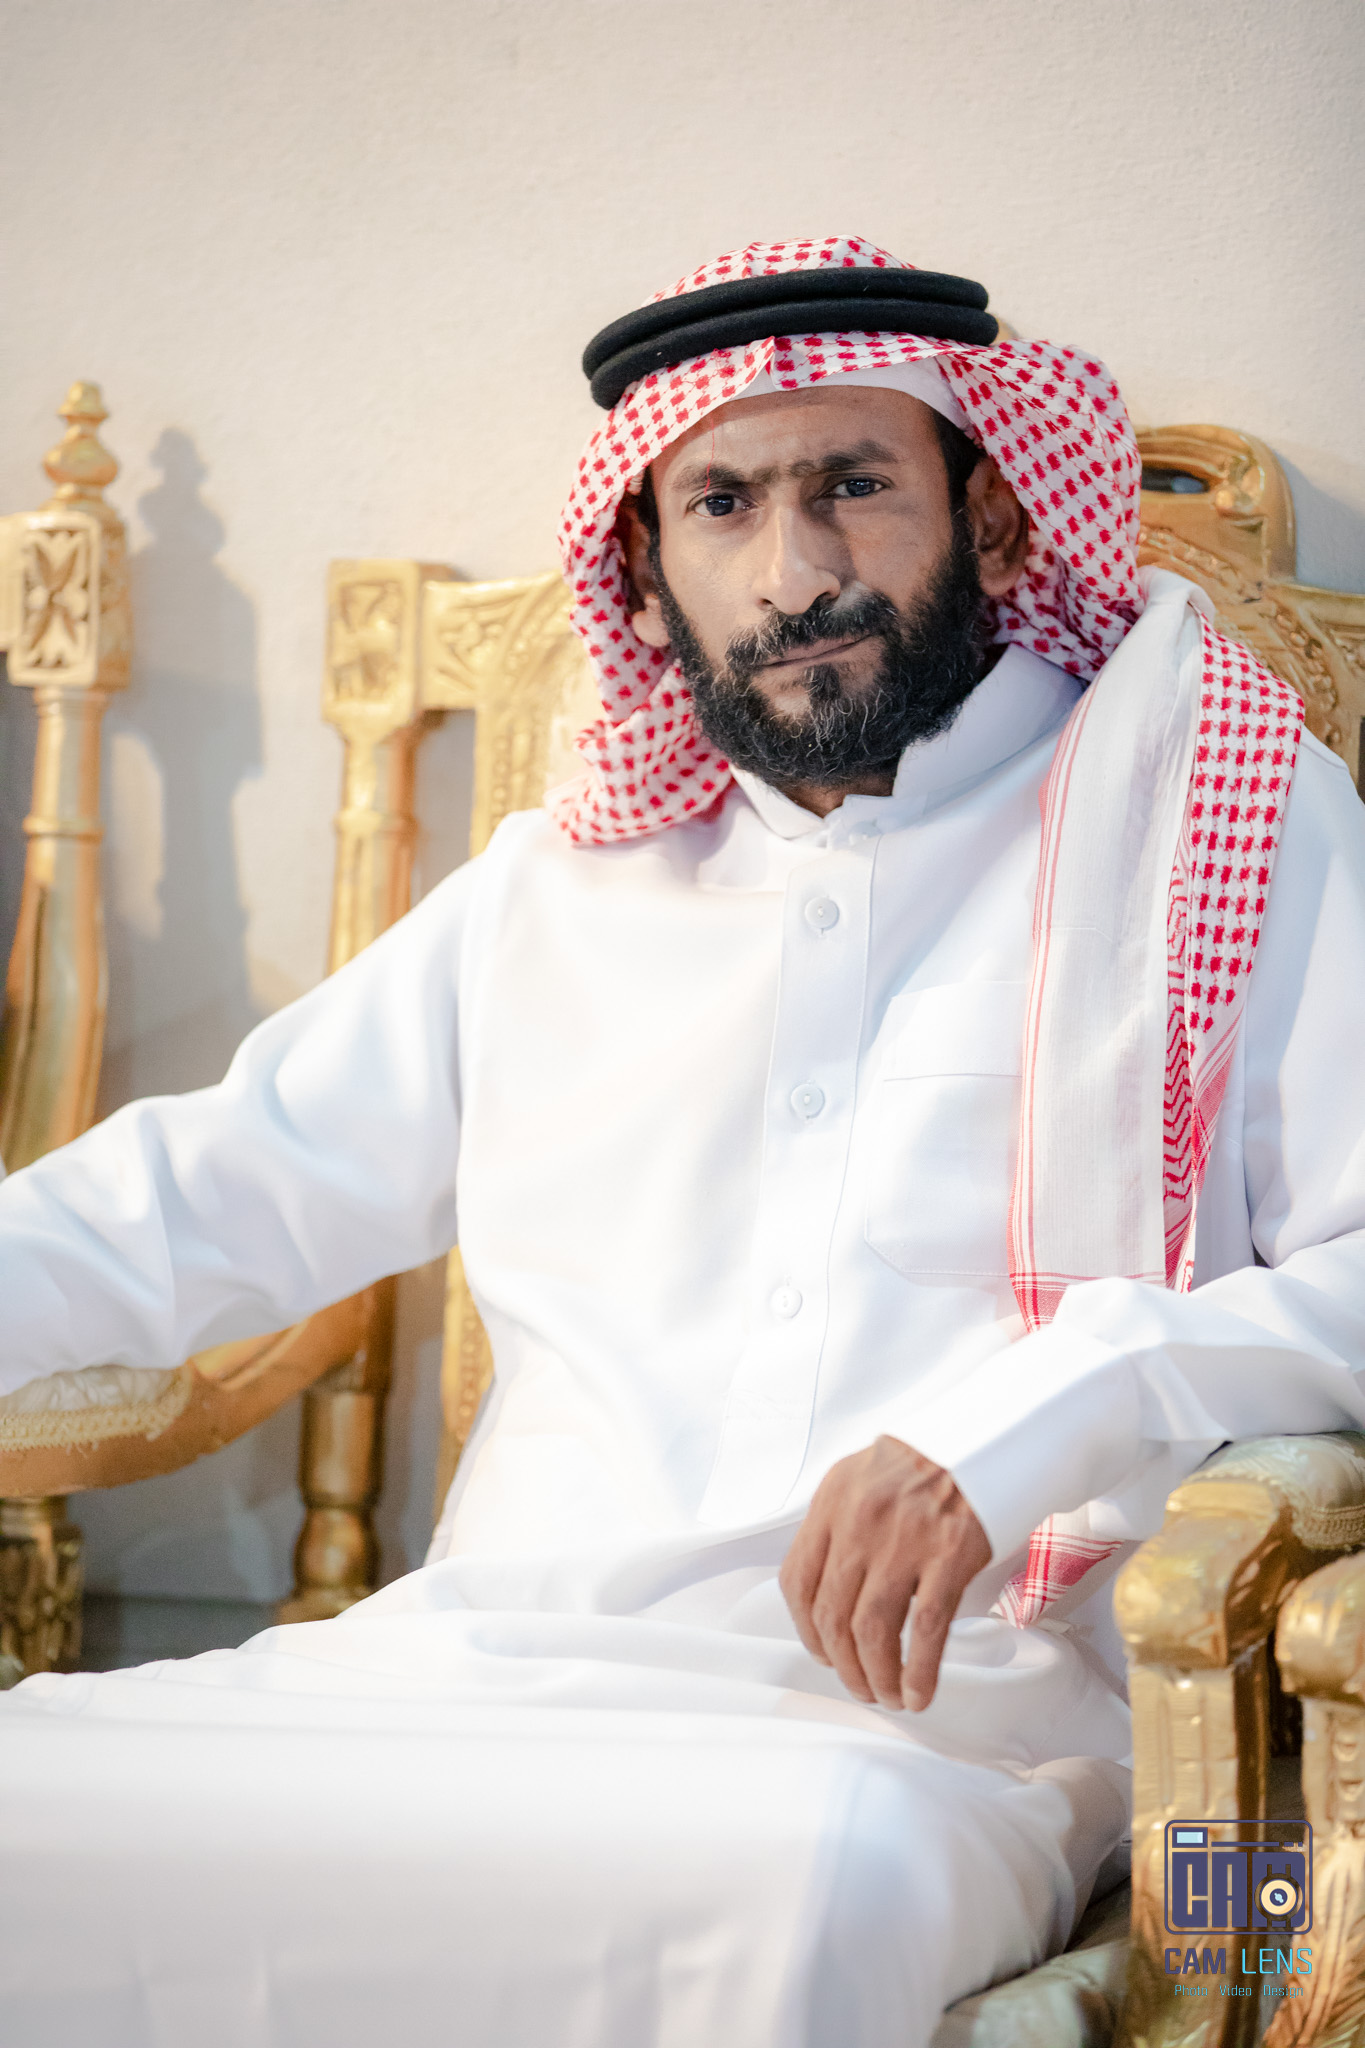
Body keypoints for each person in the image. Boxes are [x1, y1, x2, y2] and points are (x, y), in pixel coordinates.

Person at [2, 234, 1364, 2048]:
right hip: (461, 1671)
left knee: (807, 1881)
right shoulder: (553, 895)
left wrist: (1040, 1413)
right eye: (721, 505)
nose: (795, 574)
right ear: (642, 570)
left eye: (853, 485)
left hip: (937, 1720)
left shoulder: (1204, 819)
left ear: (995, 516)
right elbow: (191, 1203)